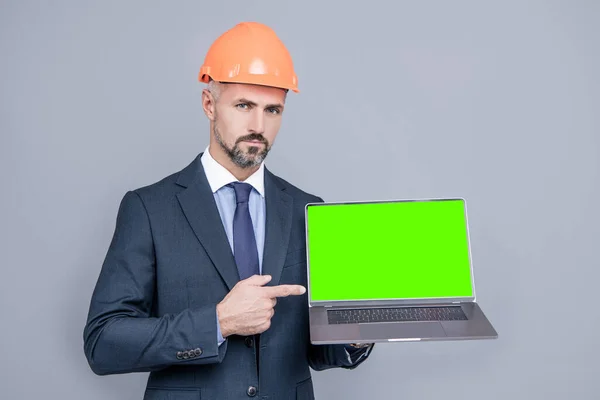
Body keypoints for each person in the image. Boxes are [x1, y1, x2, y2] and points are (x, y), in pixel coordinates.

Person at [83, 21, 374, 399]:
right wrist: (217, 323)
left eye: (273, 110)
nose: (258, 126)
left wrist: (361, 331)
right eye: (243, 106)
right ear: (209, 104)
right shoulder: (149, 208)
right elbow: (104, 342)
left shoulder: (308, 209)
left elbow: (319, 349)